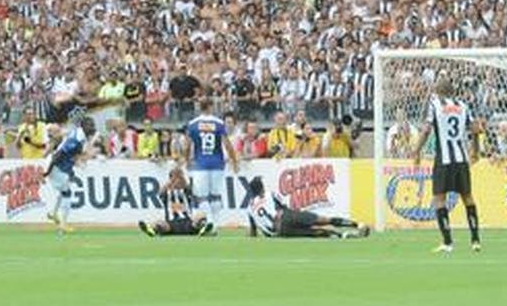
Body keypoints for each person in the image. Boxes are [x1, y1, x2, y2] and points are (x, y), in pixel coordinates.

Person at [413, 78, 481, 253]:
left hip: (444, 160)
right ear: (452, 92)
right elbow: (475, 128)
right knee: (468, 197)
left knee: (439, 199)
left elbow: (427, 129)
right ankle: (475, 240)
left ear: (437, 91)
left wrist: (416, 150)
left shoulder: (435, 104)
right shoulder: (463, 105)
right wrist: (475, 150)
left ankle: (448, 242)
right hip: (461, 158)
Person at [245, 177, 368, 239]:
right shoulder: (269, 194)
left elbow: (253, 232)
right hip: (285, 216)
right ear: (261, 188)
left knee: (314, 232)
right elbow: (284, 207)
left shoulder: (249, 208)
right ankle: (358, 225)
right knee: (323, 220)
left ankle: (343, 236)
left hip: (280, 232)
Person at [184, 97, 238, 234]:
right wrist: (234, 160)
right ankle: (214, 225)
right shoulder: (219, 123)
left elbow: (187, 146)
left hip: (200, 163)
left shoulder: (193, 124)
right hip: (217, 163)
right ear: (210, 107)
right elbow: (227, 144)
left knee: (201, 197)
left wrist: (186, 160)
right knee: (215, 195)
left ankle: (210, 222)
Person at [44, 116, 95, 235]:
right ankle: (62, 225)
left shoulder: (79, 134)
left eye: (92, 125)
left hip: (60, 166)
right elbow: (60, 154)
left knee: (63, 191)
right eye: (89, 125)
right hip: (56, 167)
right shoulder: (77, 139)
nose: (92, 128)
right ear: (83, 126)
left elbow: (71, 152)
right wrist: (48, 171)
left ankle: (53, 213)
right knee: (67, 194)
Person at [139, 167, 209, 237]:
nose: (178, 181)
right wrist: (173, 179)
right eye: (175, 179)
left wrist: (180, 176)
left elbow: (187, 187)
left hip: (188, 222)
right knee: (159, 223)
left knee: (201, 215)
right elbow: (160, 192)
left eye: (179, 179)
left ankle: (202, 229)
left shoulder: (186, 191)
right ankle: (152, 230)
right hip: (171, 224)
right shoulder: (167, 193)